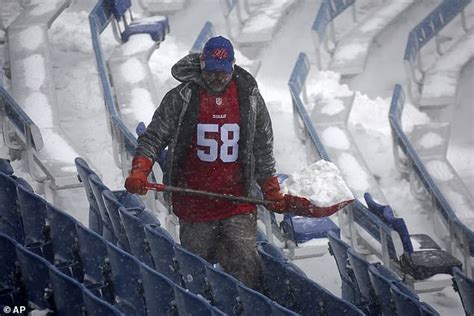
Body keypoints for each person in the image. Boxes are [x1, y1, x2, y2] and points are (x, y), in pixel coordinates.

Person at [124, 36, 286, 289]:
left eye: (223, 72)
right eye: (211, 71)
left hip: (238, 201)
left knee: (246, 267)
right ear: (202, 65)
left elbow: (262, 148)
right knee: (196, 274)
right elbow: (154, 137)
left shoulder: (249, 99)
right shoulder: (182, 97)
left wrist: (270, 188)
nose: (217, 78)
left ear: (232, 67)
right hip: (194, 201)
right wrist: (140, 170)